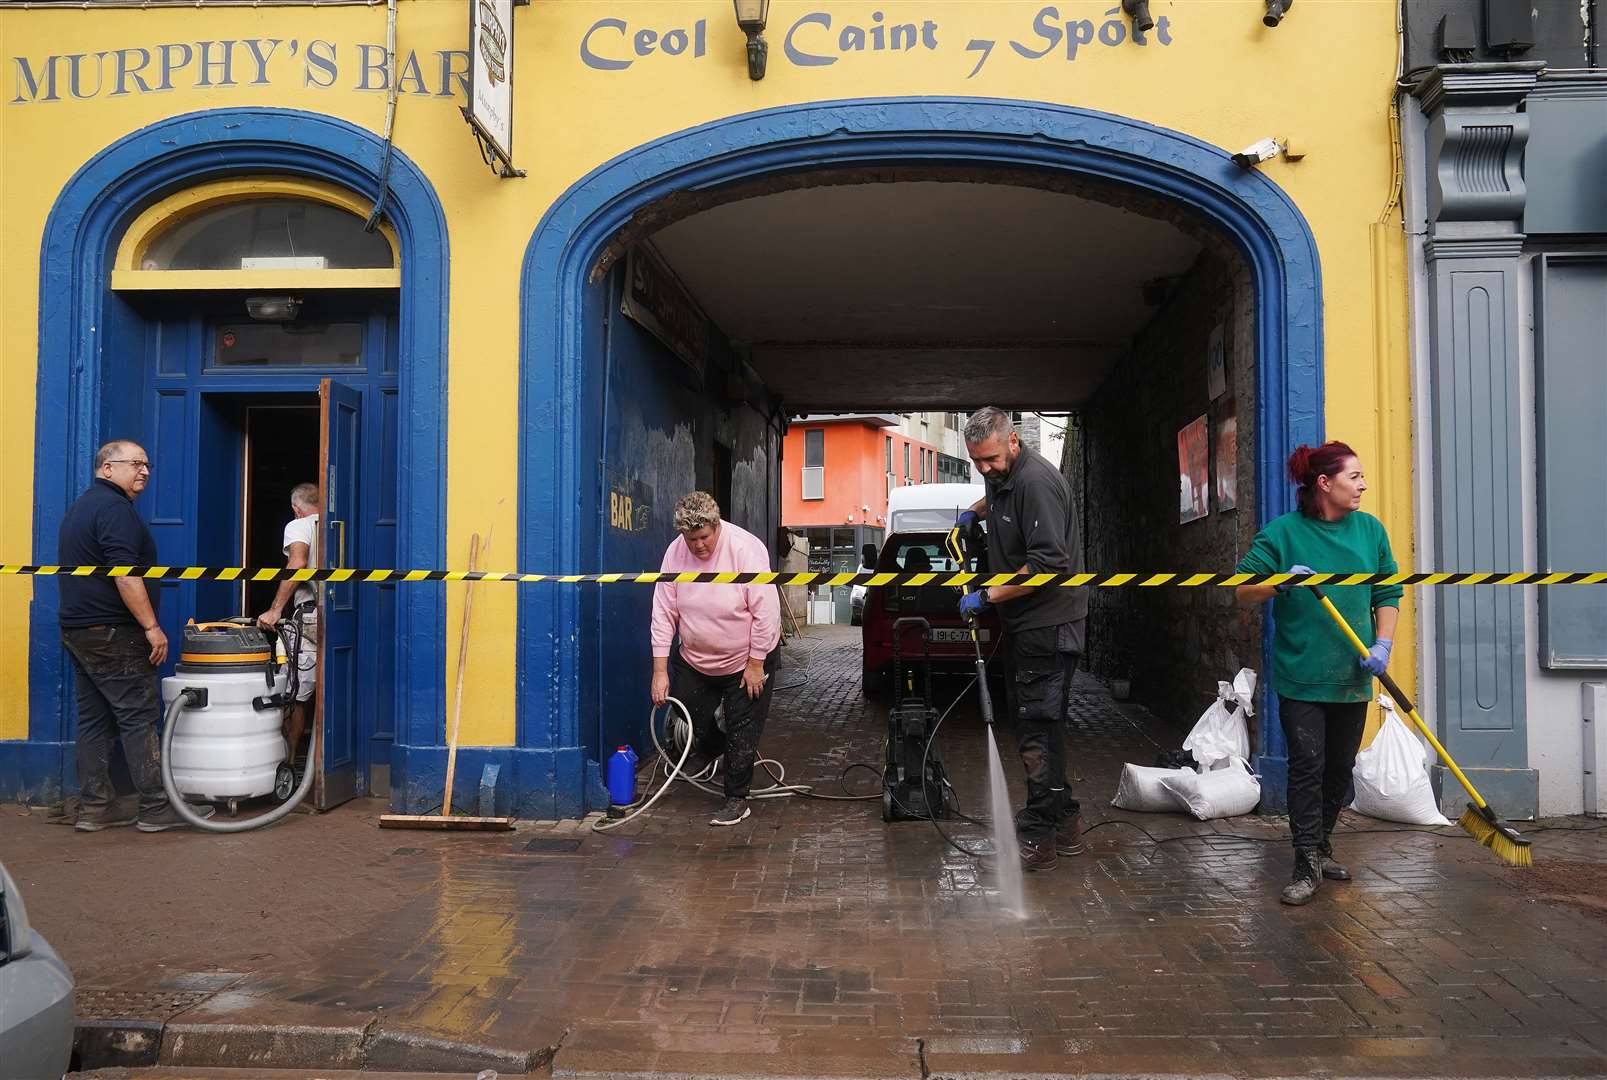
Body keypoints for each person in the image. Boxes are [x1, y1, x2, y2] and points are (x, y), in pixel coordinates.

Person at [1235, 440, 1402, 906]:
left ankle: (1321, 844)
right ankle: (1305, 860)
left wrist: (1383, 643)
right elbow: (1242, 592)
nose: (1364, 485)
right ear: (1324, 484)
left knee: (1339, 769)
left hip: (1351, 674)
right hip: (1301, 675)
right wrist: (1281, 581)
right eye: (1355, 477)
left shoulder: (1370, 531)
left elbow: (1388, 593)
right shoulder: (1282, 533)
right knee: (1307, 766)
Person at [956, 407, 1088, 871]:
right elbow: (1000, 497)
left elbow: (1050, 565)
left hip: (1048, 626)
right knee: (1043, 726)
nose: (986, 470)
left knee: (1036, 732)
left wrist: (988, 596)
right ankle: (1065, 822)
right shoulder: (1007, 477)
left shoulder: (1036, 482)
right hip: (1030, 626)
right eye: (977, 463)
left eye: (991, 459)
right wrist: (972, 514)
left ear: (1013, 441)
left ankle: (1038, 836)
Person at [57, 440, 213, 832]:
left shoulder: (82, 508)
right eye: (135, 464)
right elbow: (124, 573)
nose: (144, 471)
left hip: (80, 630)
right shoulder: (114, 510)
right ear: (107, 468)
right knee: (138, 716)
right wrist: (151, 627)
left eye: (147, 465)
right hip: (114, 633)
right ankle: (157, 806)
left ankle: (96, 807)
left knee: (94, 720)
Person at [649, 492, 781, 826]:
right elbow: (663, 613)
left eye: (704, 537)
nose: (698, 546)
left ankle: (736, 799)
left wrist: (756, 665)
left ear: (716, 525)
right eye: (691, 539)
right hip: (696, 658)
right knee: (692, 720)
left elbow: (766, 613)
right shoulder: (675, 554)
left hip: (747, 658)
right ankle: (714, 749)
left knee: (743, 727)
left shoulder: (745, 549)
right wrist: (660, 671)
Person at [257, 482, 320, 767]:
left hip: (309, 617)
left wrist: (274, 609)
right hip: (339, 614)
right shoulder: (338, 523)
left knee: (296, 692)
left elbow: (297, 562)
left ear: (296, 508)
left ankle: (289, 761)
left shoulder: (299, 524)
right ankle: (324, 766)